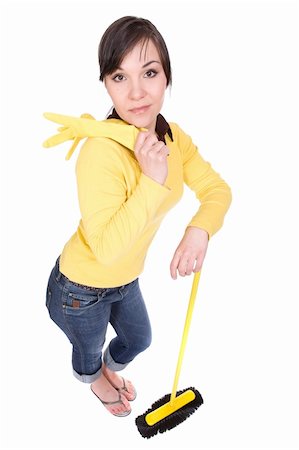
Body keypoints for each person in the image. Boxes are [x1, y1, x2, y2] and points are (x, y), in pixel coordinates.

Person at [44, 16, 232, 418]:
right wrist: (152, 181)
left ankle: (108, 372)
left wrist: (200, 229)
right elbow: (108, 250)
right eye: (118, 76)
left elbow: (217, 190)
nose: (136, 92)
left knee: (139, 339)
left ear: (167, 76)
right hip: (80, 289)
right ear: (106, 85)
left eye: (149, 72)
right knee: (88, 353)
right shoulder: (101, 152)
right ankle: (95, 380)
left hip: (126, 279)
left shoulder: (171, 137)